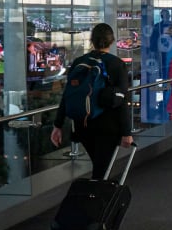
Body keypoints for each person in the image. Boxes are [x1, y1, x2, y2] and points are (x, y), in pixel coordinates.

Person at [51, 23, 133, 179]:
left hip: (83, 126)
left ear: (92, 41)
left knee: (99, 166)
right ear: (112, 41)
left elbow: (68, 95)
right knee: (101, 171)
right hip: (107, 127)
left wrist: (58, 125)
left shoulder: (79, 62)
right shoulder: (116, 64)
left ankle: (95, 198)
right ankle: (94, 200)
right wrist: (126, 132)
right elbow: (122, 101)